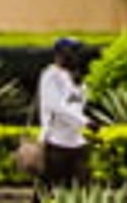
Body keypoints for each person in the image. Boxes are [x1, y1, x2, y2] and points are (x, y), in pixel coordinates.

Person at [37, 37, 90, 195]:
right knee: (48, 192)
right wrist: (85, 122)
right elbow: (57, 107)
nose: (76, 56)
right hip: (55, 143)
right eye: (72, 51)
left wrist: (79, 86)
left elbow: (79, 105)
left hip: (76, 143)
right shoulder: (50, 76)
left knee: (82, 191)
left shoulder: (75, 77)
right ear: (59, 54)